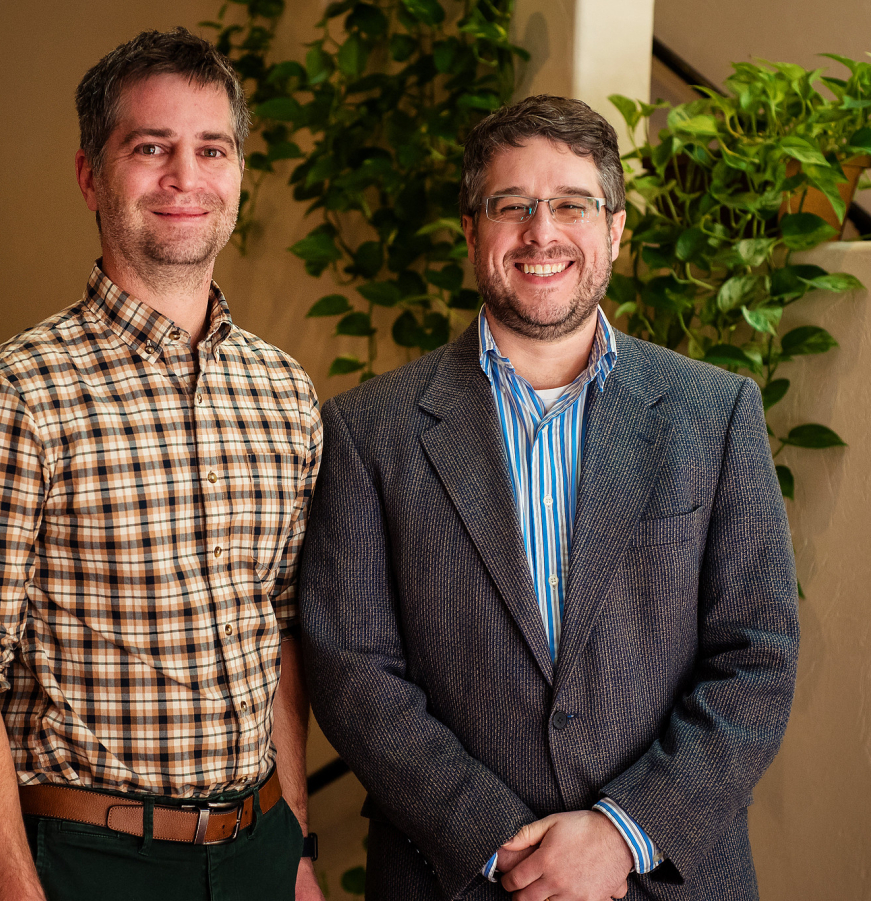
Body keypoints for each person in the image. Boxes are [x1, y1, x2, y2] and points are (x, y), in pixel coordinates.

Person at [299, 95, 799, 901]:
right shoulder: (369, 431)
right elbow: (354, 672)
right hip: (456, 880)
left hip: (664, 880)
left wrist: (620, 833)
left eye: (572, 204)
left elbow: (757, 653)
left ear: (616, 230)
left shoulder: (717, 413)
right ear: (472, 230)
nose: (542, 232)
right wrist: (506, 846)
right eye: (513, 206)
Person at [0, 28, 324, 901]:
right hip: (86, 864)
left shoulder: (284, 392)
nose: (185, 176)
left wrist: (298, 851)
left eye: (212, 148)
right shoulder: (9, 398)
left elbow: (280, 629)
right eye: (150, 148)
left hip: (257, 851)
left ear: (238, 174)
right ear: (92, 175)